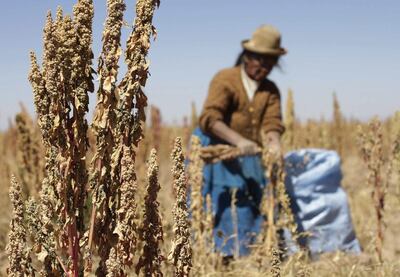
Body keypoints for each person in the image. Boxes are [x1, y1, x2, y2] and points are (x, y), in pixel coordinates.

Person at [193, 25, 287, 257]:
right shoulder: (226, 78)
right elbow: (210, 118)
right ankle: (216, 255)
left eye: (270, 62)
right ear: (247, 56)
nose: (263, 67)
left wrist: (273, 143)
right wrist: (238, 140)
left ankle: (247, 252)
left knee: (258, 199)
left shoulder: (270, 90)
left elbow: (272, 124)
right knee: (225, 199)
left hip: (248, 154)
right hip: (216, 150)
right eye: (259, 60)